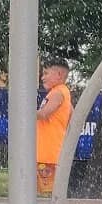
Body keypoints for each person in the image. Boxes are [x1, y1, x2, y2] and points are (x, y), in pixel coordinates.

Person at [36, 58, 73, 196]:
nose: (42, 77)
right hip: (48, 153)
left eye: (46, 73)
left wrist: (24, 114)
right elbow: (73, 116)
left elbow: (44, 114)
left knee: (50, 195)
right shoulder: (63, 93)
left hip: (48, 155)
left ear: (59, 74)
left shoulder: (58, 92)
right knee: (29, 189)